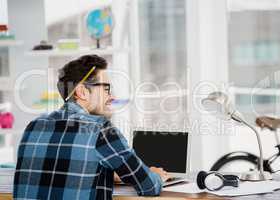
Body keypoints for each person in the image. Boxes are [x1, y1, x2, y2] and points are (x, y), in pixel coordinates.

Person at [13, 55, 169, 200]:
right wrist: (156, 175)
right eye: (106, 89)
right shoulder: (100, 128)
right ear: (82, 92)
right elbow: (149, 187)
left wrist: (110, 173)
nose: (112, 96)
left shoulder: (33, 126)